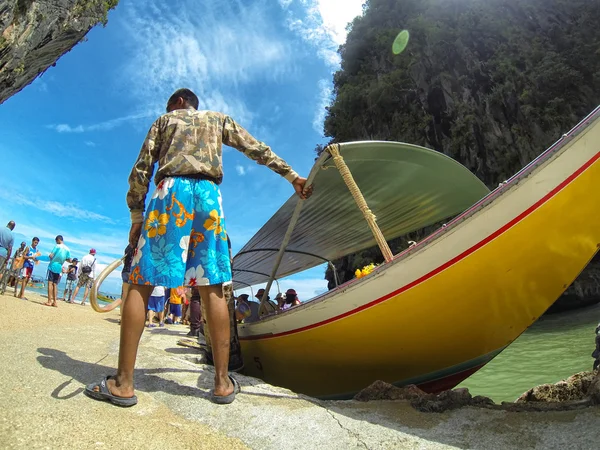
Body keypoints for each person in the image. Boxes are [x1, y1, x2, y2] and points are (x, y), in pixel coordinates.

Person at [85, 88, 312, 407]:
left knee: (141, 280)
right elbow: (256, 149)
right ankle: (221, 383)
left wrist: (137, 216)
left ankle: (123, 383)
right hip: (208, 197)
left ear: (178, 102)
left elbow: (142, 168)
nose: (168, 107)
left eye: (169, 103)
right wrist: (292, 176)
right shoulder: (219, 120)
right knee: (213, 285)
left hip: (170, 192)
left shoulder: (165, 121)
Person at [45, 235, 71, 307]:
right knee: (55, 284)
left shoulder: (57, 246)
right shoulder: (67, 249)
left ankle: (49, 301)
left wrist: (49, 256)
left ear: (58, 240)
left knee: (50, 283)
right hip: (59, 267)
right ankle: (55, 302)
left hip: (53, 265)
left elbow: (51, 255)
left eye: (56, 241)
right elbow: (69, 260)